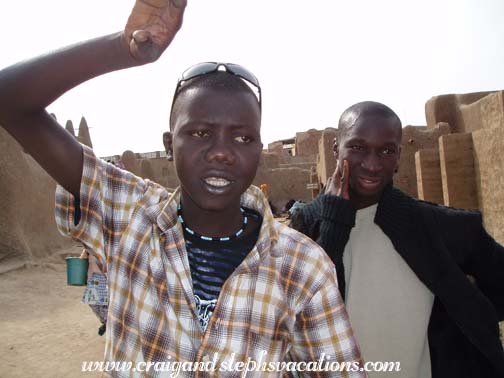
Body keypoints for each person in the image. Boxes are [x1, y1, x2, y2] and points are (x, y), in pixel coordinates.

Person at [0, 1, 364, 376]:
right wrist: (121, 48)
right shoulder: (127, 214)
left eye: (242, 137)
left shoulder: (302, 266)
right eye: (200, 133)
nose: (221, 152)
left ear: (258, 147)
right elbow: (9, 100)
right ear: (169, 143)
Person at [291, 101, 504, 377]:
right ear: (336, 148)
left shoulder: (437, 227)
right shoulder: (303, 229)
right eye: (357, 147)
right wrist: (334, 224)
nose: (372, 164)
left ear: (399, 155)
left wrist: (462, 323)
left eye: (386, 151)